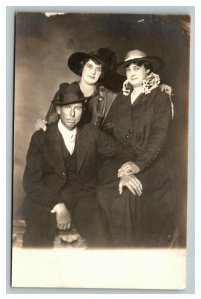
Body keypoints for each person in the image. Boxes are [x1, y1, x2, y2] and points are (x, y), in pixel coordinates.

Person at [21, 81, 135, 248]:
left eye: (78, 108)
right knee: (36, 238)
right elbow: (31, 182)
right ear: (58, 110)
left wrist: (126, 172)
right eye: (67, 108)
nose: (72, 114)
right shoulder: (41, 138)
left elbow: (122, 152)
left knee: (102, 237)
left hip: (83, 196)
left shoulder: (91, 133)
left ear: (83, 110)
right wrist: (58, 206)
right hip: (47, 196)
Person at [97, 49, 178, 248]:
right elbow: (109, 128)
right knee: (102, 191)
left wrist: (137, 165)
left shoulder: (160, 96)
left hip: (154, 162)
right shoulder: (122, 98)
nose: (132, 73)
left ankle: (131, 256)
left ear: (147, 69)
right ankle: (112, 252)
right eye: (128, 69)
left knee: (126, 196)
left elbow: (160, 136)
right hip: (124, 159)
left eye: (137, 67)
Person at [36, 48, 172, 131]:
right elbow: (50, 122)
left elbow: (135, 89)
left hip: (93, 155)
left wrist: (157, 87)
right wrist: (42, 124)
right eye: (90, 67)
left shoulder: (108, 95)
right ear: (82, 67)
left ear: (102, 74)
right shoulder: (64, 91)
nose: (93, 72)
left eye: (98, 69)